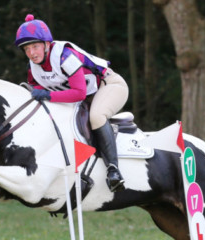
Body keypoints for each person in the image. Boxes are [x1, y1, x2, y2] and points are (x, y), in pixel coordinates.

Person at [15, 14, 128, 192]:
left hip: (109, 85)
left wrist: (46, 95)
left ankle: (113, 171)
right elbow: (37, 89)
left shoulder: (64, 55)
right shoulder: (33, 67)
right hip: (84, 97)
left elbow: (79, 92)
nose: (31, 53)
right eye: (26, 49)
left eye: (35, 46)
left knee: (96, 116)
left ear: (46, 44)